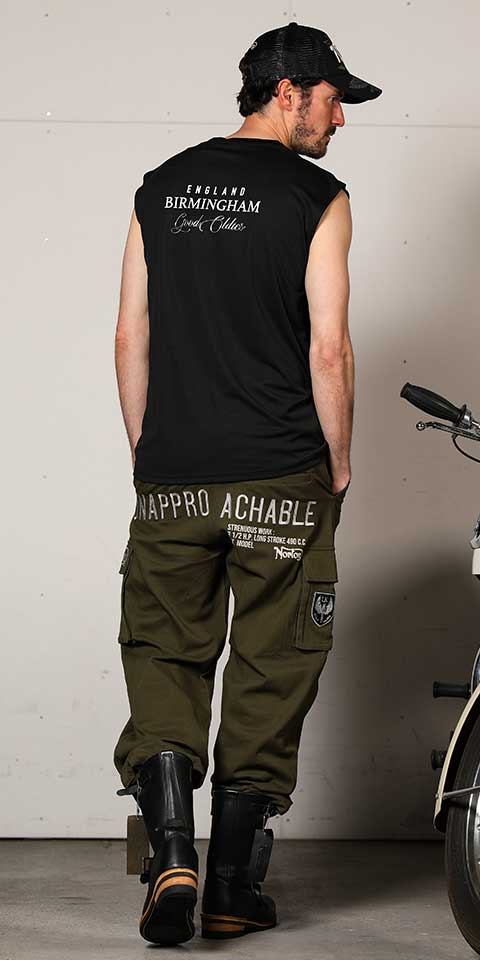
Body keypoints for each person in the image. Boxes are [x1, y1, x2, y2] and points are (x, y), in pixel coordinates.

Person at [113, 20, 382, 945]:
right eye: (333, 98)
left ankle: (172, 855)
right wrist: (338, 462)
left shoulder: (160, 187)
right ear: (287, 91)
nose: (340, 118)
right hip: (282, 475)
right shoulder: (318, 197)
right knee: (275, 664)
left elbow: (130, 334)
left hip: (174, 476)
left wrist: (151, 453)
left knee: (163, 654)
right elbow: (329, 347)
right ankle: (231, 885)